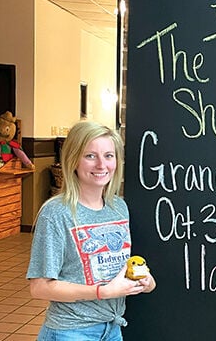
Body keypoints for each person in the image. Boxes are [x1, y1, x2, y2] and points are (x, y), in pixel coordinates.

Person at [27, 120, 156, 341]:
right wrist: (101, 292)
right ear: (73, 160)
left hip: (112, 328)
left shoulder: (118, 208)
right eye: (90, 156)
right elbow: (39, 287)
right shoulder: (56, 213)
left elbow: (112, 267)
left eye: (109, 155)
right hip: (70, 331)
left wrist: (144, 281)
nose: (101, 165)